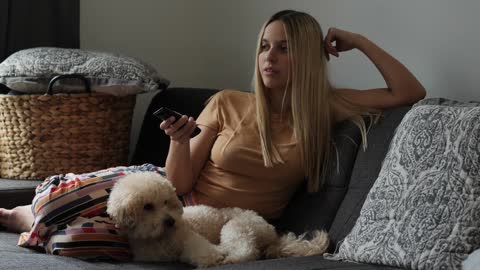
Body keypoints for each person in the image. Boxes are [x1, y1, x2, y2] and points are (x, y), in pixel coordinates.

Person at [0, 9, 425, 257]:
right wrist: (179, 141)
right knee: (59, 198)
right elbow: (179, 182)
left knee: (77, 241)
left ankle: (32, 221)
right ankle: (28, 213)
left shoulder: (326, 109)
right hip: (164, 191)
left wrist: (360, 40)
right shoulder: (228, 101)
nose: (269, 57)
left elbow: (409, 92)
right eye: (264, 45)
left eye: (283, 47)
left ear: (309, 58)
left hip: (211, 223)